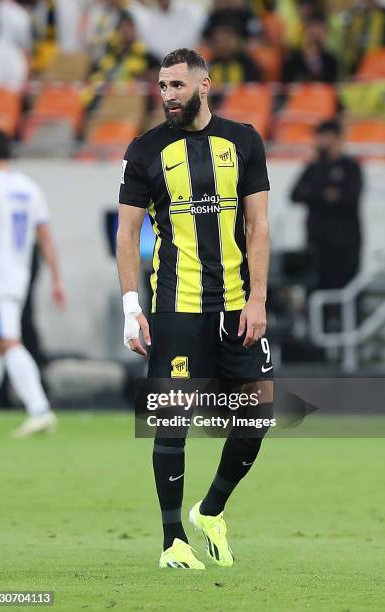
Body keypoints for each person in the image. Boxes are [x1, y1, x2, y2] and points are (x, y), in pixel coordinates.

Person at [117, 48, 273, 569]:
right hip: (175, 307)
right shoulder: (145, 150)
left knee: (256, 416)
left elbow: (258, 226)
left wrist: (257, 299)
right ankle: (171, 541)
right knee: (172, 420)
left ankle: (210, 511)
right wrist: (130, 307)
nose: (167, 97)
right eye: (162, 87)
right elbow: (127, 232)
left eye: (177, 87)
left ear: (204, 85)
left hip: (236, 306)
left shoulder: (244, 140)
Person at [0, 130, 66, 436]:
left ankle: (40, 409)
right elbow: (45, 237)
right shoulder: (30, 188)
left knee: (8, 342)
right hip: (18, 278)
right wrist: (56, 278)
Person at [290, 119, 363, 293]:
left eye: (326, 136)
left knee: (344, 291)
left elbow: (349, 198)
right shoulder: (313, 168)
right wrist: (326, 194)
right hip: (316, 242)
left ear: (338, 139)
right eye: (319, 136)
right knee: (315, 290)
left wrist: (314, 193)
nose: (321, 141)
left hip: (345, 244)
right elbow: (295, 194)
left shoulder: (351, 167)